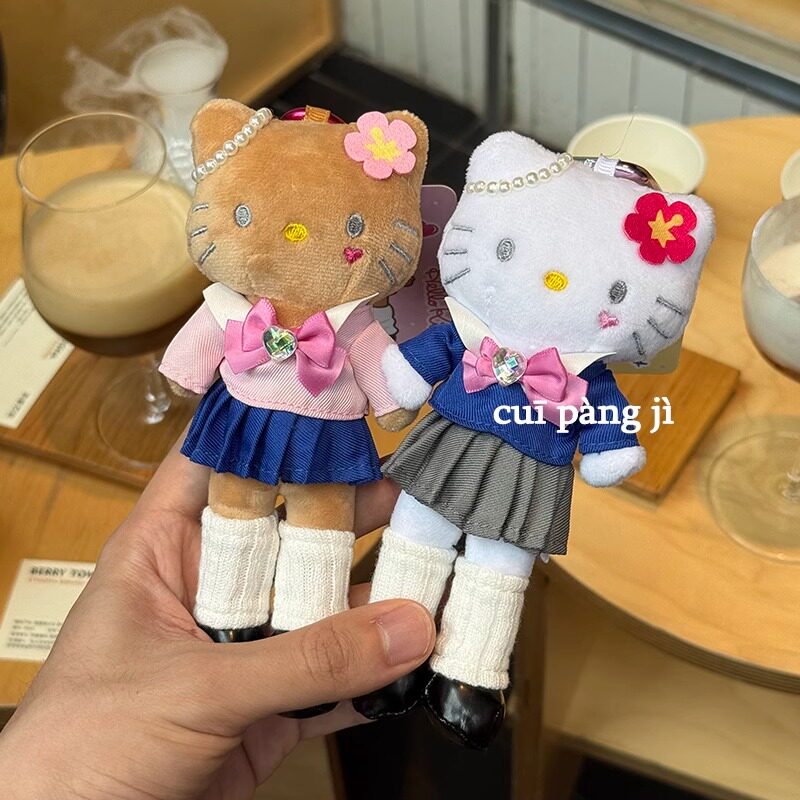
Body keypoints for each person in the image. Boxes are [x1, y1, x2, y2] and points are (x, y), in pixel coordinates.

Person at [0, 441, 435, 799]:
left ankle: (267, 617)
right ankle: (233, 617)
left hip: (322, 436)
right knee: (247, 508)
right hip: (260, 431)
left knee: (312, 517)